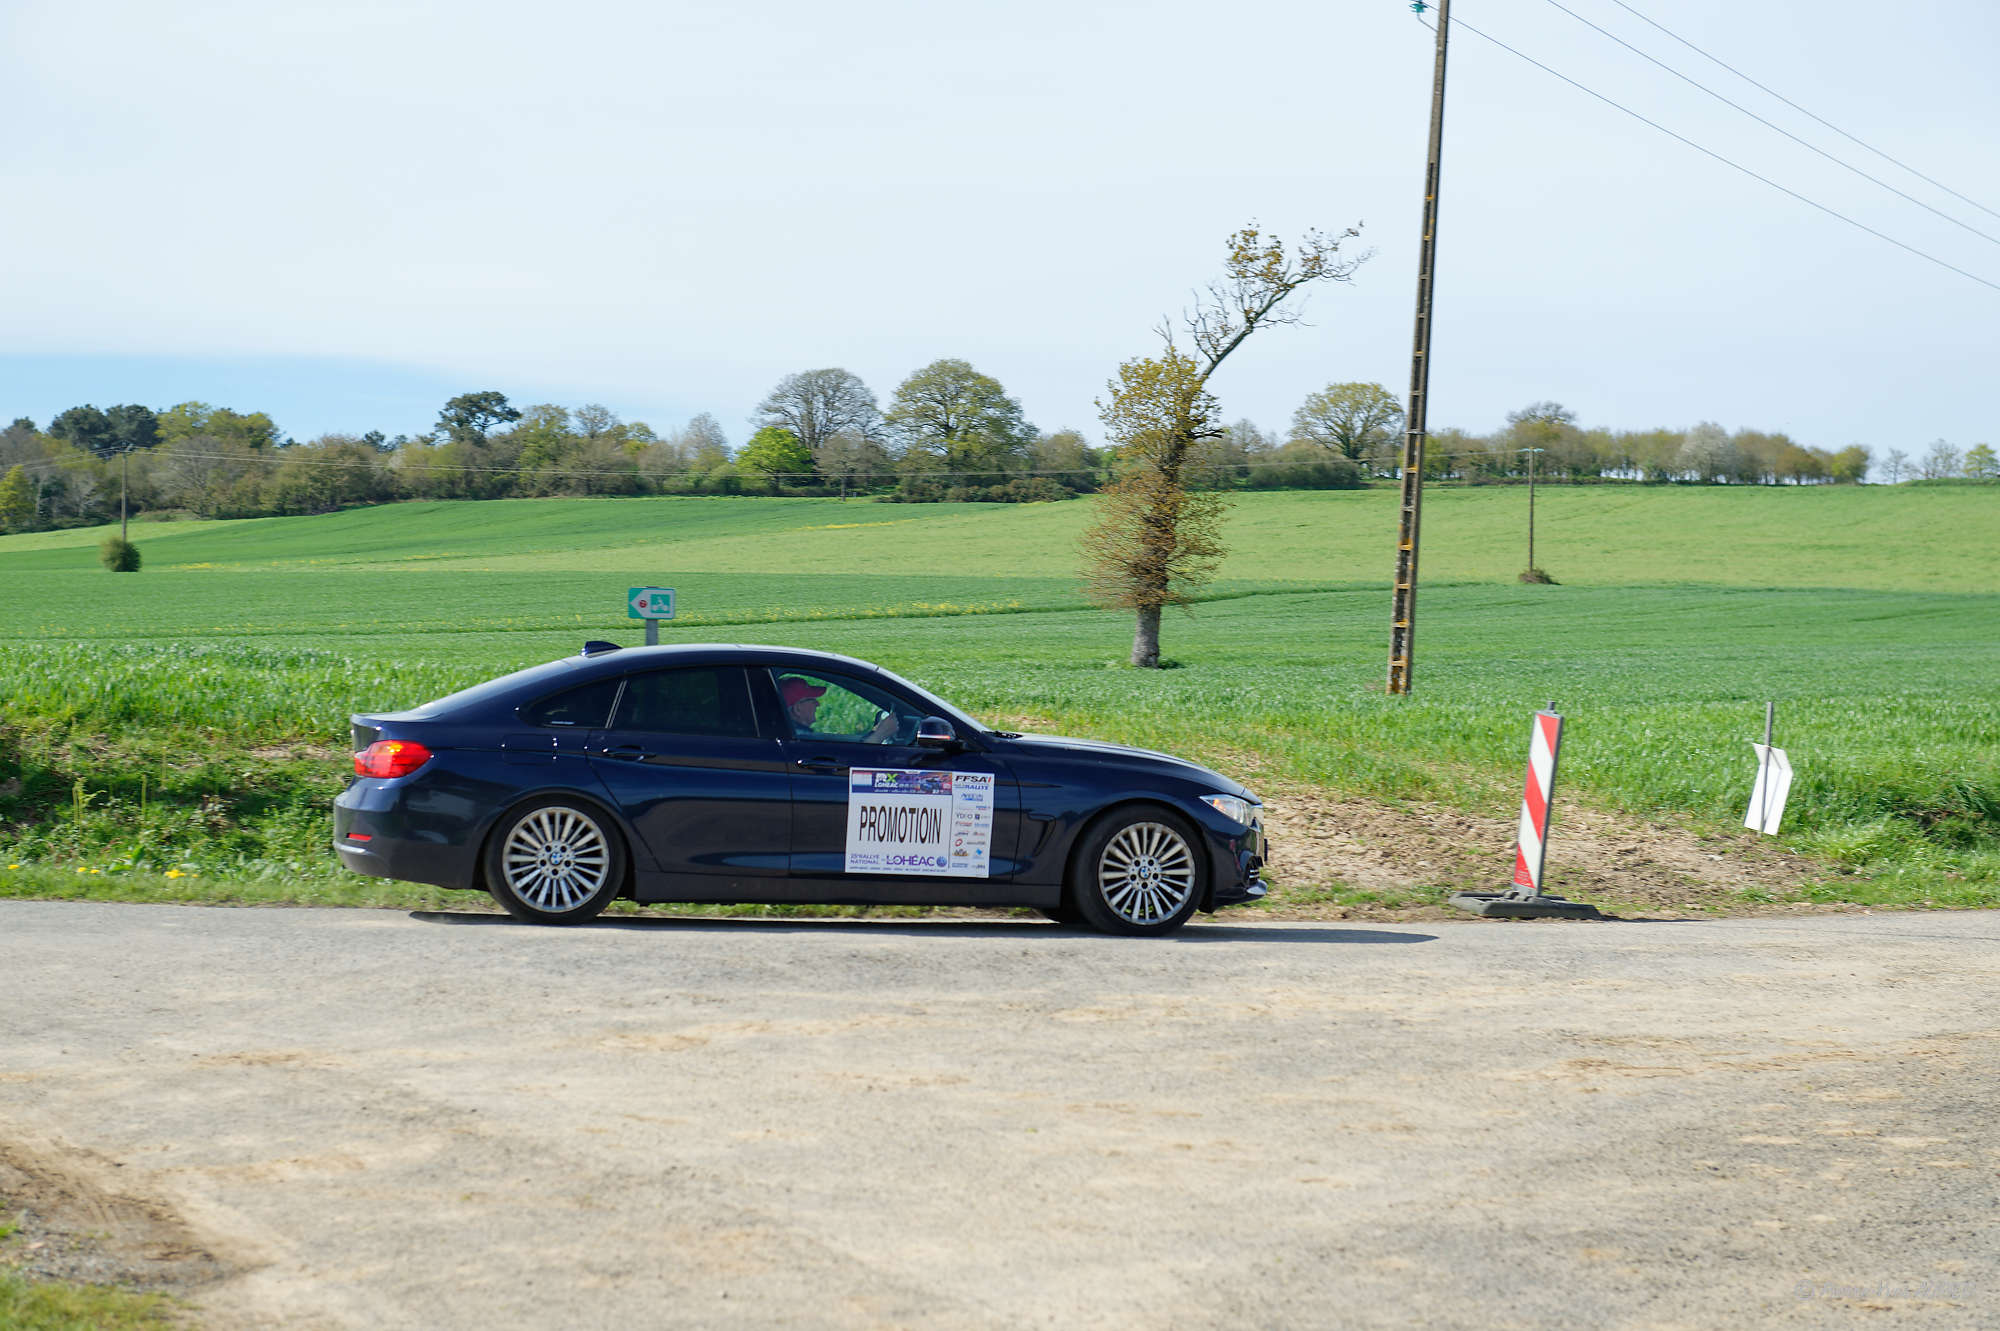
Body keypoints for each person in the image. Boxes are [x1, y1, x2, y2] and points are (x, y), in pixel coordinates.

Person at [778, 675, 900, 743]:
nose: (817, 704)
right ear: (798, 708)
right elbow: (846, 762)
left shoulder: (793, 735)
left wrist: (874, 733)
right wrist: (880, 735)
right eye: (812, 699)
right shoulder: (799, 740)